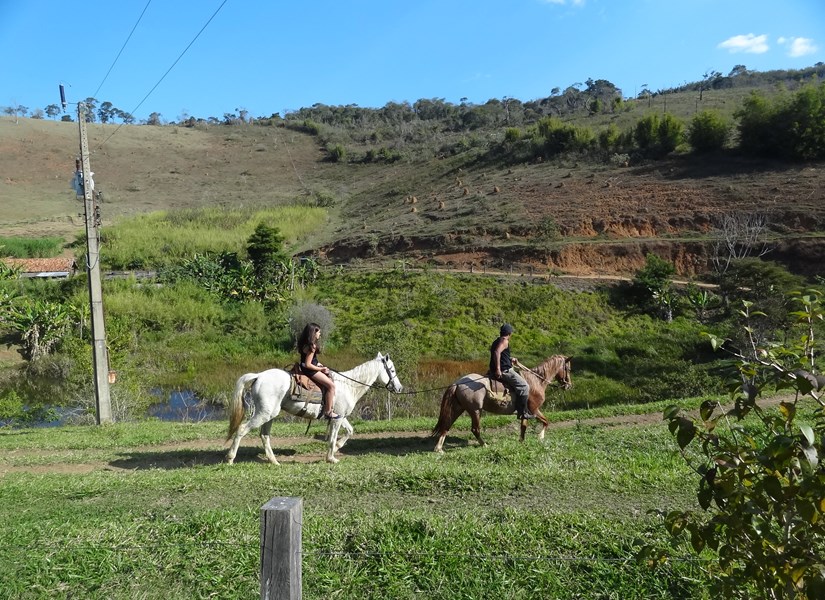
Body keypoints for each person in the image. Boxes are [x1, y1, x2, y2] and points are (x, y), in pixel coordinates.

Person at [489, 323, 533, 420]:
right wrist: (498, 369)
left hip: (499, 367)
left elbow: (500, 354)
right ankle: (522, 412)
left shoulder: (497, 340)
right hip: (505, 370)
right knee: (524, 386)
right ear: (509, 333)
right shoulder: (505, 341)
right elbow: (497, 352)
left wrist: (509, 359)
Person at [297, 322, 339, 419]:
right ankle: (328, 412)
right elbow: (308, 364)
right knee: (331, 386)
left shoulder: (305, 344)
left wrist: (318, 363)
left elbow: (308, 360)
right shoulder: (312, 346)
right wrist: (321, 369)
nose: (320, 334)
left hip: (304, 367)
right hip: (309, 370)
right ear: (313, 333)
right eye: (319, 332)